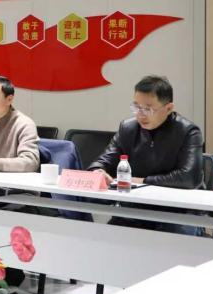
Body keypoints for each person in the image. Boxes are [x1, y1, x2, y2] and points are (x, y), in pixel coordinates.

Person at [88, 75, 205, 235]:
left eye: (148, 109)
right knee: (104, 238)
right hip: (136, 209)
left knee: (177, 237)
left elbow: (188, 177)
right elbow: (104, 160)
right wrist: (98, 171)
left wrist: (143, 181)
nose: (140, 114)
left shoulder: (188, 132)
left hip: (177, 213)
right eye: (136, 107)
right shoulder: (128, 129)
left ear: (169, 108)